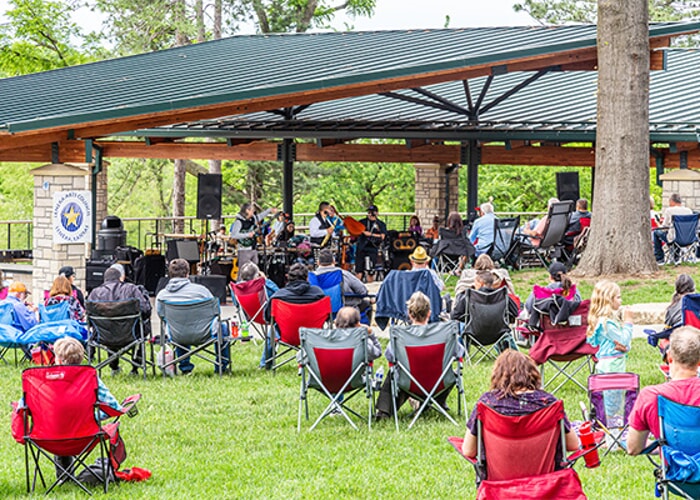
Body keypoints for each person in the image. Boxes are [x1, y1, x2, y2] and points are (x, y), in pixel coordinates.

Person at [461, 350, 579, 462]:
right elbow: (573, 444)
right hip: (544, 481)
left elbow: (468, 450)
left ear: (498, 376)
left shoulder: (486, 403)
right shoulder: (548, 403)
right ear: (532, 373)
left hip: (498, 481)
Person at [375, 292, 464, 420]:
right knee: (451, 371)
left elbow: (390, 356)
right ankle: (433, 402)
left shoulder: (400, 335)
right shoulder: (444, 333)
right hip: (439, 382)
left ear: (409, 314)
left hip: (410, 382)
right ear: (429, 313)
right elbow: (460, 353)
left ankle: (384, 411)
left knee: (394, 373)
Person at [44, 336, 123, 477]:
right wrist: (91, 418)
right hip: (86, 435)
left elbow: (25, 407)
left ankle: (64, 477)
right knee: (66, 427)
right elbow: (114, 407)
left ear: (59, 361)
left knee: (62, 427)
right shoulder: (90, 379)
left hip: (51, 436)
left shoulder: (44, 381)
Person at [627, 326, 700, 455]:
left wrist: (663, 446)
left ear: (669, 357)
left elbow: (633, 448)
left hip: (676, 471)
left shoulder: (650, 396)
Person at [156, 258, 230, 374]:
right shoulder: (202, 291)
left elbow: (161, 315)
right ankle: (222, 366)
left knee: (177, 324)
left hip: (177, 335)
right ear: (187, 273)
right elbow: (217, 313)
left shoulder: (162, 296)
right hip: (205, 334)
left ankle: (185, 367)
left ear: (169, 274)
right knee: (223, 327)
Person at [88, 264, 153, 376]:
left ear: (105, 279)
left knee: (110, 326)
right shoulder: (132, 289)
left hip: (104, 336)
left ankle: (114, 367)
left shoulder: (95, 293)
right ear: (121, 277)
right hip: (131, 335)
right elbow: (146, 310)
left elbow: (88, 316)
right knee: (139, 326)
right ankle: (135, 368)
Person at [261, 263, 326, 367]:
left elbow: (268, 318)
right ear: (307, 277)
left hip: (287, 336)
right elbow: (327, 316)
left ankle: (266, 364)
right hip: (313, 334)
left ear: (288, 277)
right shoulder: (319, 294)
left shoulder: (279, 296)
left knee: (271, 332)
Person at [586, 280, 633, 418]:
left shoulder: (605, 320)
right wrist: (629, 322)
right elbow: (624, 340)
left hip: (609, 362)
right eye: (618, 297)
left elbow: (623, 345)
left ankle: (610, 422)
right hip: (612, 366)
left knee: (613, 398)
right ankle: (611, 425)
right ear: (608, 300)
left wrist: (625, 348)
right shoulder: (607, 323)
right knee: (613, 401)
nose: (621, 300)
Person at [315, 250, 371, 321]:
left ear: (318, 263)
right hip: (346, 312)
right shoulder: (343, 274)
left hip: (319, 313)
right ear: (334, 261)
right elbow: (362, 290)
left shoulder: (312, 277)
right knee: (366, 303)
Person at [451, 270, 519, 324]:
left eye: (475, 282)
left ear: (481, 283)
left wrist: (469, 318)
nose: (474, 284)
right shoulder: (502, 295)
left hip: (474, 333)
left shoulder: (470, 295)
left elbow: (454, 315)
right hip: (499, 334)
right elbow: (515, 312)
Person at [230, 202, 278, 267]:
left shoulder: (252, 219)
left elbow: (260, 216)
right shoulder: (239, 222)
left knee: (254, 268)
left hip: (253, 248)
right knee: (244, 269)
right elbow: (234, 235)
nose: (253, 211)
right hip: (244, 249)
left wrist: (269, 210)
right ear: (247, 210)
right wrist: (247, 235)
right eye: (252, 210)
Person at [653, 193, 693, 264]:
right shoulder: (689, 211)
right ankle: (676, 257)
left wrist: (658, 224)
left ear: (672, 201)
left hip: (674, 238)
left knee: (656, 232)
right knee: (675, 232)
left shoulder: (669, 210)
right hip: (688, 239)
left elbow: (664, 228)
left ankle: (659, 258)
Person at [355, 205, 388, 282]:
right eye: (369, 212)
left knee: (371, 271)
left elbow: (383, 236)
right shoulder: (362, 222)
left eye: (372, 212)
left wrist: (371, 234)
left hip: (373, 248)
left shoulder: (381, 224)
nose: (370, 214)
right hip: (362, 247)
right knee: (359, 269)